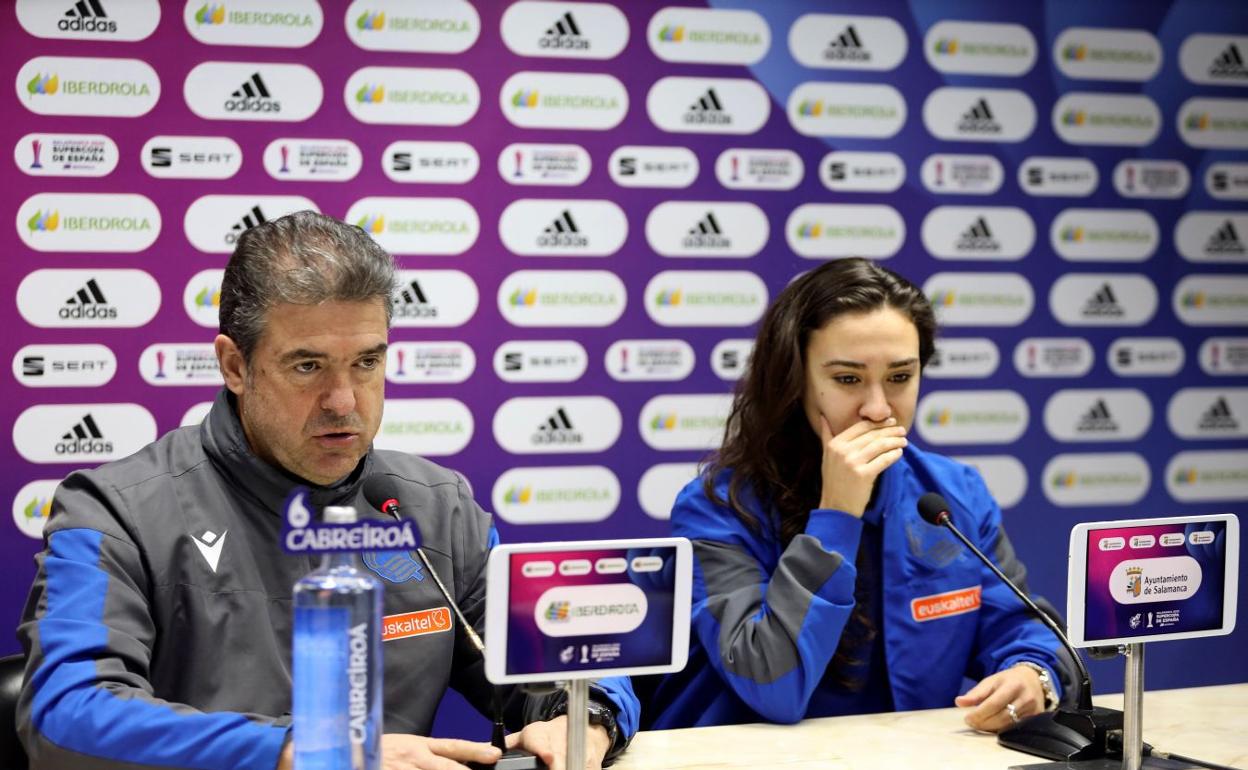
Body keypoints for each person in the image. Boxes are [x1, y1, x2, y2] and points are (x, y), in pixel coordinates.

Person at [17, 211, 637, 770]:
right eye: (307, 366)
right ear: (235, 366)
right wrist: (305, 751)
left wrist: (587, 717)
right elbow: (65, 715)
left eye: (366, 362)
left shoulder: (436, 507)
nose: (343, 401)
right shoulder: (116, 512)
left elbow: (572, 660)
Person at [648, 258, 1070, 732]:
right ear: (795, 380)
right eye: (848, 379)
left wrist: (1033, 673)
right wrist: (837, 514)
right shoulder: (718, 508)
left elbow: (1022, 629)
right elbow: (774, 686)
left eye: (900, 377)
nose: (878, 408)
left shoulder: (954, 493)